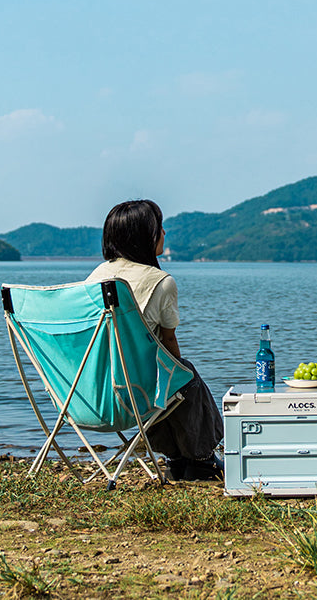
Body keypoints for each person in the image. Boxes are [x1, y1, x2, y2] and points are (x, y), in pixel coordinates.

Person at [86, 199, 224, 481]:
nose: (164, 233)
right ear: (143, 236)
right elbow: (169, 343)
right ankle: (200, 459)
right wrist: (181, 374)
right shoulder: (160, 281)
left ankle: (178, 459)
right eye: (159, 227)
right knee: (184, 376)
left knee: (172, 379)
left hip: (87, 394)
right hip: (132, 395)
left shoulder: (96, 276)